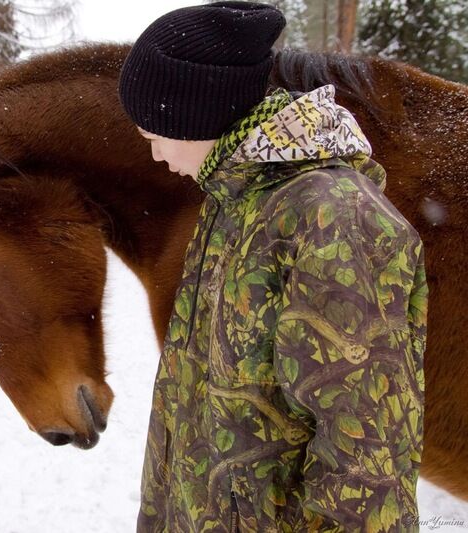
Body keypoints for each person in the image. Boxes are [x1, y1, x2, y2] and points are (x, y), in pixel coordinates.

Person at [117, 2, 428, 532]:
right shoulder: (236, 200)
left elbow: (364, 454)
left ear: (195, 113)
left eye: (153, 135)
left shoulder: (331, 219)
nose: (155, 156)